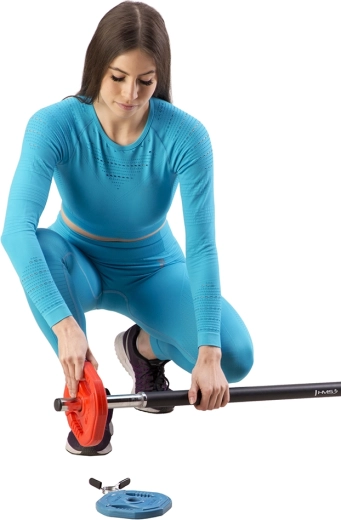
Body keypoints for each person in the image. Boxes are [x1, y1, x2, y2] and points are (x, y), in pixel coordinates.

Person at [1, 1, 254, 456]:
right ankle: (88, 394)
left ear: (161, 78)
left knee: (236, 357)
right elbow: (15, 230)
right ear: (96, 66)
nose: (131, 94)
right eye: (117, 77)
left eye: (146, 81)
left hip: (153, 268)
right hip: (75, 262)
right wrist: (64, 327)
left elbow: (202, 247)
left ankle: (143, 348)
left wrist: (209, 355)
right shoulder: (52, 125)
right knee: (40, 245)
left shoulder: (186, 136)